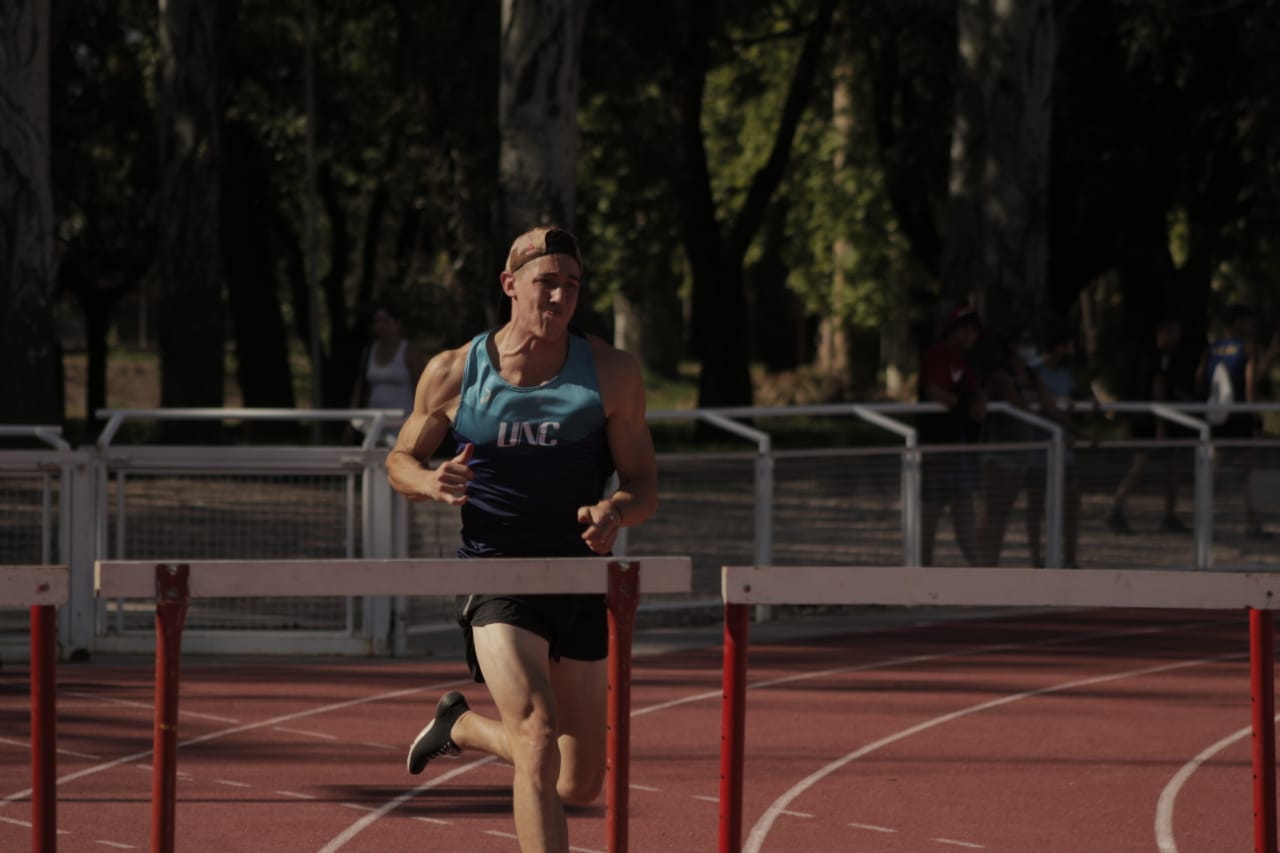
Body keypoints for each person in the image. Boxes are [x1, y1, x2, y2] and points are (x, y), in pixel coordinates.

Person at [385, 225, 659, 853]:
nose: (560, 298)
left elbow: (644, 486)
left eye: (571, 285)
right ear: (511, 286)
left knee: (579, 782)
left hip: (578, 580)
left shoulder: (611, 373)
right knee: (535, 733)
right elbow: (398, 458)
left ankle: (464, 726)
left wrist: (615, 509)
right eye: (546, 283)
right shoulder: (455, 371)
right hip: (496, 574)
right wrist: (430, 481)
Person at [977, 328, 1058, 566]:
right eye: (1025, 342)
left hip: (1023, 454)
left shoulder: (1032, 374)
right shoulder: (1001, 375)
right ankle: (984, 566)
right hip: (999, 455)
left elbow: (1048, 406)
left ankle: (998, 564)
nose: (1030, 347)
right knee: (993, 512)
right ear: (1011, 345)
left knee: (1005, 512)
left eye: (1032, 341)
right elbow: (1019, 404)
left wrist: (1074, 431)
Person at [1107, 316, 1190, 535]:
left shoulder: (1163, 357)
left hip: (1154, 419)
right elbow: (1157, 390)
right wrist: (1160, 425)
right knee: (1140, 465)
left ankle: (1169, 515)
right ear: (1160, 333)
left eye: (1177, 332)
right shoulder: (1155, 358)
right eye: (1170, 331)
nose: (1175, 337)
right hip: (1150, 422)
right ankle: (1116, 507)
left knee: (1172, 468)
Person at [918, 305, 986, 566]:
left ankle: (980, 576)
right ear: (954, 330)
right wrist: (964, 405)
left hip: (959, 449)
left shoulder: (961, 360)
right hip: (937, 447)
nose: (971, 336)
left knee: (964, 510)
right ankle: (922, 572)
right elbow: (935, 393)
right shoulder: (938, 354)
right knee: (931, 512)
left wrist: (978, 401)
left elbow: (975, 390)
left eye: (975, 331)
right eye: (966, 330)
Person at [1198, 304, 1268, 538]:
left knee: (1214, 469)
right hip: (1240, 415)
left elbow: (1201, 378)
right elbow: (1250, 386)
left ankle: (1204, 521)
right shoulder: (1248, 349)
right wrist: (1256, 416)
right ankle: (1253, 522)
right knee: (1249, 470)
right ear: (1238, 322)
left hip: (1217, 414)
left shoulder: (1212, 348)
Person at [1033, 327, 1086, 567]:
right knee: (1037, 505)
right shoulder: (1036, 371)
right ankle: (1037, 559)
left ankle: (1070, 559)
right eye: (1068, 345)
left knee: (1071, 503)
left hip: (1066, 451)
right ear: (1058, 346)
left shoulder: (1065, 373)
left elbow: (1077, 397)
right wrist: (1080, 433)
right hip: (1040, 451)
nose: (1071, 350)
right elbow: (1049, 408)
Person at [348, 302, 427, 443]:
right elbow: (360, 386)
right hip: (374, 424)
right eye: (377, 321)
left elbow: (422, 387)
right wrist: (351, 418)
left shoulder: (409, 351)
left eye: (386, 321)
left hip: (402, 422)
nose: (381, 326)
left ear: (397, 323)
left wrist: (421, 419)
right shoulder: (368, 352)